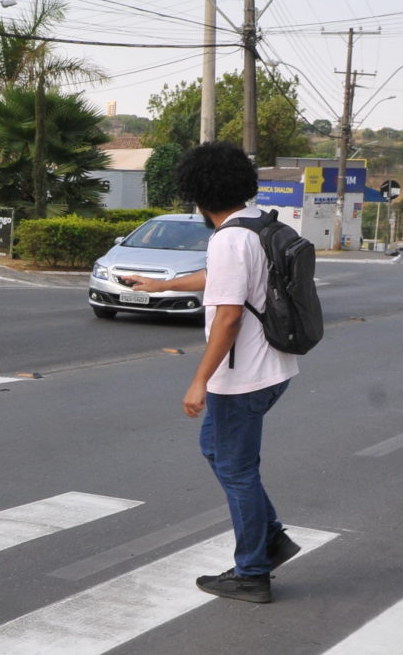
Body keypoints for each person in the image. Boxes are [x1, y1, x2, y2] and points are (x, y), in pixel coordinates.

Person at [120, 142, 301, 604]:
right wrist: (163, 285)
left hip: (243, 376)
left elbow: (228, 317)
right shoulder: (256, 225)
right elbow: (216, 278)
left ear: (198, 195)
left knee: (236, 469)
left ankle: (253, 570)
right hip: (271, 367)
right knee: (217, 452)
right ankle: (271, 536)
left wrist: (200, 379)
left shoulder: (230, 238)